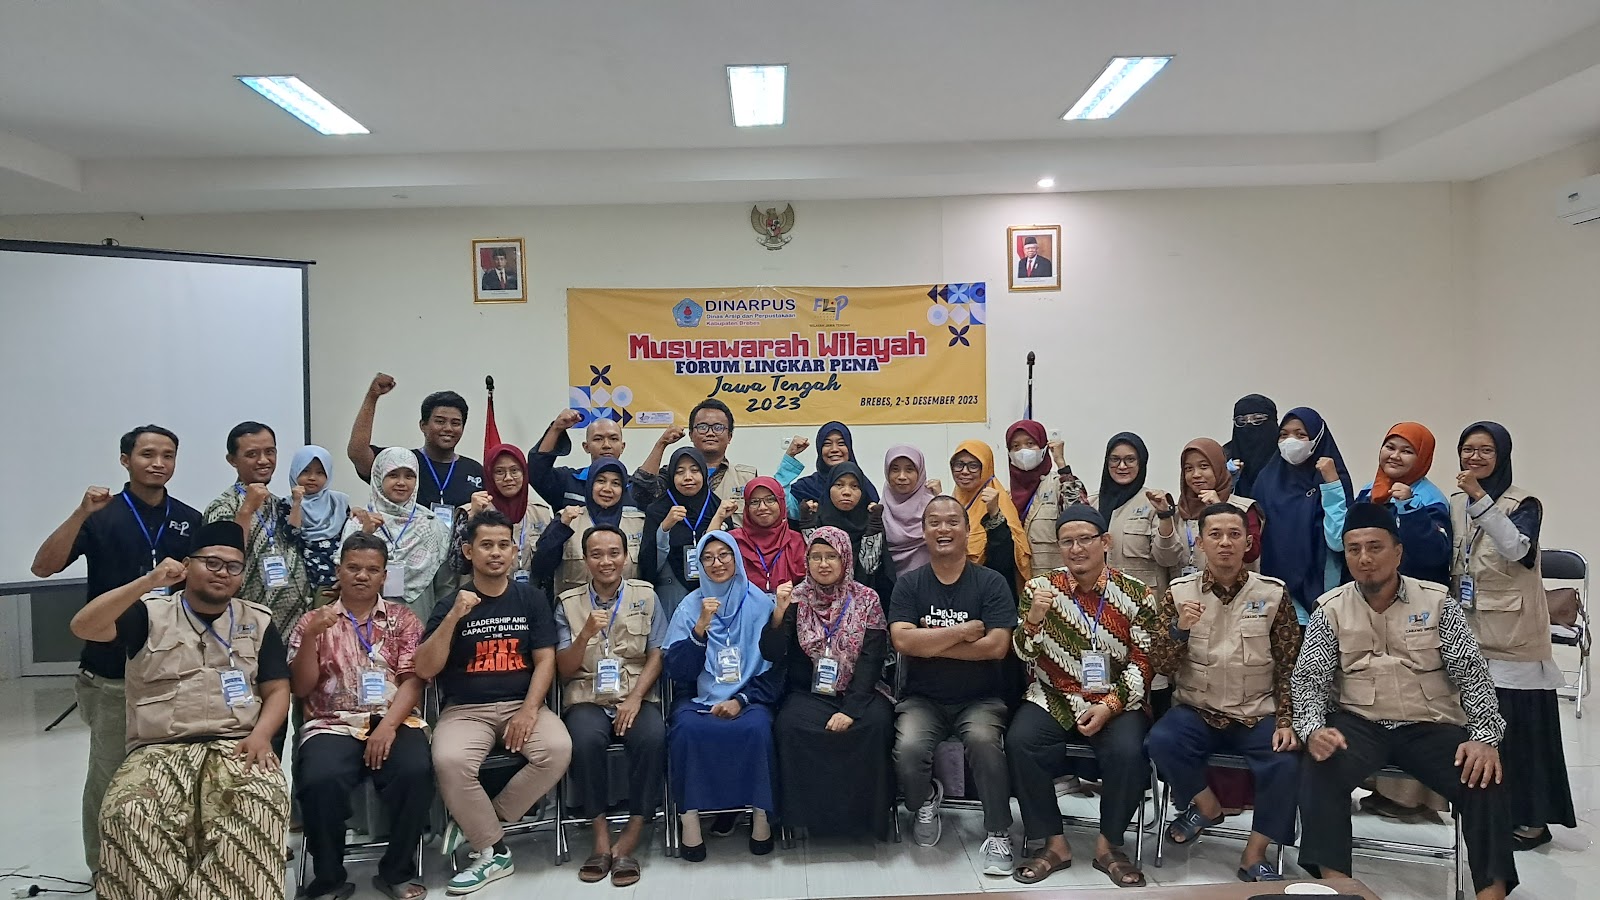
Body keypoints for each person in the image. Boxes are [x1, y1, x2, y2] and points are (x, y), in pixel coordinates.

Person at [1293, 502, 1517, 900]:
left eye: (1375, 547)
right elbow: (1308, 681)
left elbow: (1473, 673)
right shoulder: (1330, 609)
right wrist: (1312, 730)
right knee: (1320, 767)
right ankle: (1339, 887)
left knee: (1483, 775)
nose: (1364, 558)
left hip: (1428, 723)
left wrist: (1484, 737)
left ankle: (1491, 891)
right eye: (1354, 549)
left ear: (1397, 552)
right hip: (1359, 723)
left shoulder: (1438, 602)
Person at [69, 521, 291, 900]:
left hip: (235, 745)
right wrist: (147, 582)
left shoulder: (258, 620)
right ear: (187, 565)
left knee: (263, 801)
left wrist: (261, 734)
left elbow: (278, 689)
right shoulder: (149, 614)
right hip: (159, 749)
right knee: (129, 812)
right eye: (212, 563)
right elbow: (83, 626)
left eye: (233, 566)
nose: (222, 573)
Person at [30, 424, 205, 873]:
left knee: (174, 775)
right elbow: (43, 568)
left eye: (168, 455)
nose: (158, 463)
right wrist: (79, 513)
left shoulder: (189, 518)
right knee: (109, 776)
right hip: (112, 669)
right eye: (147, 454)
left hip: (171, 668)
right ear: (125, 460)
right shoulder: (100, 515)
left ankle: (164, 863)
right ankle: (105, 868)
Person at [416, 509, 573, 895]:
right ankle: (494, 851)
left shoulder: (530, 598)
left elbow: (546, 661)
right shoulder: (451, 603)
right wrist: (455, 615)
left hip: (523, 702)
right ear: (469, 551)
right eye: (486, 545)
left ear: (515, 552)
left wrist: (529, 710)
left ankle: (481, 825)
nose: (496, 553)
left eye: (504, 545)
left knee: (557, 749)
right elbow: (425, 668)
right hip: (466, 710)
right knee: (449, 760)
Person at [1146, 503, 1301, 883]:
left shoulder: (1272, 594)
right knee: (1160, 741)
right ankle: (1207, 806)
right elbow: (1160, 664)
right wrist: (1180, 629)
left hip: (1256, 711)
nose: (1225, 543)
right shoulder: (1179, 594)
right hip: (1198, 708)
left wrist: (1286, 720)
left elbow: (1289, 664)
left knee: (1286, 762)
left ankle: (1255, 853)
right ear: (1200, 543)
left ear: (1248, 543)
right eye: (1215, 535)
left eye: (1234, 535)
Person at [1008, 505, 1157, 887]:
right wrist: (1033, 621)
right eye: (1067, 542)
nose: (1076, 549)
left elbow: (1144, 661)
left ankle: (1109, 846)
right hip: (1054, 694)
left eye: (1085, 539)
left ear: (1105, 542)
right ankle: (1054, 843)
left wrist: (1110, 706)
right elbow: (1023, 654)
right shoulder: (1039, 589)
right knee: (1021, 742)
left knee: (1128, 751)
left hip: (1116, 698)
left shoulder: (1136, 593)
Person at [1322, 423, 1456, 821]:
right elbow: (1346, 543)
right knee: (1369, 687)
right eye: (1389, 447)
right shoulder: (1369, 491)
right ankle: (1378, 788)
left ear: (1423, 458)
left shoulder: (1430, 498)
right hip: (1367, 606)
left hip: (1413, 609)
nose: (1394, 456)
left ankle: (1411, 799)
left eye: (1406, 451)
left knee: (1411, 691)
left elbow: (1434, 553)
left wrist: (1410, 508)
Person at [1452, 422, 1575, 850]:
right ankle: (1491, 812)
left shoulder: (1523, 503)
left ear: (1502, 455)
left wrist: (1480, 499)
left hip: (1514, 636)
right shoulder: (1455, 503)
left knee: (1520, 731)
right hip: (1470, 631)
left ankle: (1531, 820)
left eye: (1485, 450)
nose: (1475, 457)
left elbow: (1518, 550)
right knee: (1478, 729)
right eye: (1468, 449)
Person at [288, 533, 432, 900]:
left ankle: (397, 870)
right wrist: (311, 638)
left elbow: (413, 681)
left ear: (384, 576)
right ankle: (329, 878)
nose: (362, 576)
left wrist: (388, 727)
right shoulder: (312, 621)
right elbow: (301, 688)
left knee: (416, 771)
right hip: (331, 723)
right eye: (353, 567)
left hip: (394, 719)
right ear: (339, 571)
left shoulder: (403, 619)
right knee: (319, 780)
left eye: (372, 569)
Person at [888, 496, 1017, 874]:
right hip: (922, 699)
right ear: (923, 531)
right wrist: (962, 632)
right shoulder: (909, 584)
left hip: (980, 700)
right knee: (908, 749)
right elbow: (903, 641)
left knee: (984, 742)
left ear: (967, 528)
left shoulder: (990, 582)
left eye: (952, 521)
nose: (943, 529)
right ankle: (926, 798)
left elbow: (996, 647)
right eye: (934, 522)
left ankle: (998, 832)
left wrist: (931, 641)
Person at [761, 526, 893, 839]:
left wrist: (850, 710)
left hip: (861, 691)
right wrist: (778, 614)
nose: (823, 564)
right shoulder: (796, 598)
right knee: (789, 726)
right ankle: (805, 819)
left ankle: (866, 820)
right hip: (810, 693)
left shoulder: (867, 599)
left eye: (831, 556)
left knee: (875, 725)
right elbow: (771, 653)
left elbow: (872, 659)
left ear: (845, 558)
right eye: (816, 557)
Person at [555, 525, 666, 887]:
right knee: (584, 740)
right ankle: (600, 836)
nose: (606, 561)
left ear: (626, 556)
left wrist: (635, 698)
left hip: (635, 692)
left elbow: (657, 654)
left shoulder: (646, 595)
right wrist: (585, 634)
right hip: (586, 694)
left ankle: (633, 833)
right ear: (585, 559)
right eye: (597, 554)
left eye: (614, 553)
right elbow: (564, 669)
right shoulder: (567, 603)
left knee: (652, 737)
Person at [662, 531, 783, 861]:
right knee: (686, 731)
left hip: (751, 696)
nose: (717, 563)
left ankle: (761, 818)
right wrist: (700, 628)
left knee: (757, 729)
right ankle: (689, 821)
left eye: (724, 555)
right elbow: (678, 671)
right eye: (708, 557)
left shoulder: (761, 603)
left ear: (737, 559)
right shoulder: (690, 606)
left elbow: (775, 668)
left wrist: (740, 700)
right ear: (699, 565)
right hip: (699, 697)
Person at [205, 421, 311, 631]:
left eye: (270, 452)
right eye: (252, 454)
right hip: (246, 625)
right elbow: (224, 558)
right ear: (232, 460)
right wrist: (246, 510)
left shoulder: (280, 504)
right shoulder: (223, 506)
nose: (264, 460)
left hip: (295, 622)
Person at [1254, 407, 1352, 623]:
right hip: (1277, 591)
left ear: (1317, 438)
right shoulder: (1266, 480)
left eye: (1300, 435)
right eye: (1284, 435)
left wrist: (1331, 484)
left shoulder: (1334, 478)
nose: (1290, 441)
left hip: (1324, 591)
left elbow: (1338, 541)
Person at [347, 374, 486, 515]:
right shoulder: (401, 461)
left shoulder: (475, 470)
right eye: (440, 421)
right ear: (423, 425)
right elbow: (357, 453)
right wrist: (372, 397)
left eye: (455, 423)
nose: (448, 428)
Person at [344, 447, 453, 619]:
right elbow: (345, 575)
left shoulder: (432, 525)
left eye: (409, 476)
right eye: (393, 475)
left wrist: (440, 624)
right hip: (366, 619)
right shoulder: (359, 522)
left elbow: (445, 586)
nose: (401, 482)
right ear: (379, 477)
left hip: (421, 617)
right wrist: (365, 536)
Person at [442, 443, 555, 588]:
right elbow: (457, 565)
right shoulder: (472, 510)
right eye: (499, 472)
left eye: (515, 470)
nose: (508, 478)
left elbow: (550, 565)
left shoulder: (540, 512)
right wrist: (473, 519)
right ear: (489, 475)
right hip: (481, 596)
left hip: (529, 595)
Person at [1089, 432, 1186, 602]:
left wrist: (1165, 516)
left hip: (1143, 602)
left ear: (1141, 462)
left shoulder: (1156, 502)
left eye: (1130, 459)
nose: (1122, 466)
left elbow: (1168, 559)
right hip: (1098, 600)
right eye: (1115, 459)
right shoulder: (1092, 504)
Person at [532, 457, 644, 600]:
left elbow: (649, 572)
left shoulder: (638, 523)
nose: (607, 489)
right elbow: (540, 568)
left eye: (615, 483)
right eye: (601, 481)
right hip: (575, 608)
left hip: (627, 608)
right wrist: (561, 528)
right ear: (590, 484)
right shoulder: (568, 519)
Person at [528, 408, 677, 509]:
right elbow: (537, 472)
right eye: (598, 439)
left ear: (622, 446)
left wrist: (661, 444)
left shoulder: (633, 488)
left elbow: (648, 484)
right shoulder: (568, 481)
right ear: (586, 447)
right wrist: (556, 428)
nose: (606, 445)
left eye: (613, 439)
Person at [641, 447, 722, 614]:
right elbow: (647, 565)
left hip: (713, 591)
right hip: (671, 594)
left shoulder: (717, 508)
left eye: (695, 470)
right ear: (671, 476)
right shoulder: (658, 510)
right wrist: (664, 528)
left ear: (704, 473)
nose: (688, 477)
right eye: (680, 472)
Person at [796, 462, 889, 602]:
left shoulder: (870, 520)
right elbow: (812, 562)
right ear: (829, 488)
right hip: (818, 600)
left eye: (854, 486)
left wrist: (874, 529)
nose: (846, 492)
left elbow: (869, 568)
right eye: (839, 485)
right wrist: (807, 523)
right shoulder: (816, 519)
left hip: (862, 604)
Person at [948, 440, 1030, 594]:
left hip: (992, 589)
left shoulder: (999, 500)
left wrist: (994, 513)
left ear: (986, 467)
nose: (964, 471)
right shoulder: (954, 501)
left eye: (973, 465)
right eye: (959, 464)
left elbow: (1007, 559)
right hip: (955, 587)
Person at [1005, 420, 1085, 577]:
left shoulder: (1059, 484)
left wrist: (1061, 464)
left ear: (1043, 446)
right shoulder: (1006, 496)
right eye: (1016, 446)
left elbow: (1081, 517)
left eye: (1030, 444)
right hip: (1020, 584)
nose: (1023, 451)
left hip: (1056, 584)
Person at [1177, 437, 1264, 576]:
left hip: (1235, 588)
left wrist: (1221, 508)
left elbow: (1251, 554)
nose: (1196, 474)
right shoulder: (1179, 511)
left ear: (1218, 468)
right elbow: (1165, 560)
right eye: (1188, 468)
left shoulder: (1244, 508)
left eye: (1204, 466)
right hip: (1188, 588)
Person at [776, 421, 881, 520]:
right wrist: (790, 455)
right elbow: (780, 504)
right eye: (827, 444)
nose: (834, 449)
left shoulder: (864, 486)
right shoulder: (807, 487)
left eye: (841, 443)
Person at [731, 476, 808, 597]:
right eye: (754, 502)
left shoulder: (797, 542)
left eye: (770, 500)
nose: (762, 507)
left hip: (791, 606)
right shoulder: (733, 541)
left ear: (781, 503)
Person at [688, 399, 758, 526]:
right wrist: (661, 444)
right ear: (691, 435)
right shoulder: (676, 476)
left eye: (718, 428)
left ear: (729, 436)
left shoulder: (748, 478)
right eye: (702, 427)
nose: (710, 433)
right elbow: (648, 492)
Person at [289, 446, 352, 588]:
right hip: (302, 578)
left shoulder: (338, 502)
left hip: (338, 577)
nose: (312, 477)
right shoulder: (287, 503)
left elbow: (348, 539)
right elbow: (291, 537)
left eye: (320, 472)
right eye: (305, 471)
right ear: (295, 471)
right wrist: (297, 503)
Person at [882, 445, 938, 578]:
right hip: (888, 584)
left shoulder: (933, 508)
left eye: (909, 470)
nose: (902, 476)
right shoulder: (880, 510)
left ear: (920, 472)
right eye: (895, 469)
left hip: (928, 582)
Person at [1224, 394, 1278, 499]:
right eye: (1241, 421)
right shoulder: (1224, 456)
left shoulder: (1284, 455)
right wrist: (1225, 480)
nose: (1249, 425)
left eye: (1258, 419)